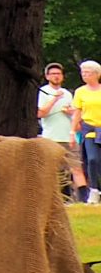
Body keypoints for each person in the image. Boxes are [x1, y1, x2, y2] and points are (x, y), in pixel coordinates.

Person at [39, 63, 84, 200]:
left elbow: (76, 114)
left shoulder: (68, 94)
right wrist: (54, 99)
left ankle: (84, 198)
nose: (56, 76)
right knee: (53, 169)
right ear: (47, 76)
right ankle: (54, 198)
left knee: (76, 167)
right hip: (51, 137)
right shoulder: (43, 91)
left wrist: (71, 112)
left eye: (58, 74)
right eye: (53, 74)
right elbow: (41, 113)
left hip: (69, 137)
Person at [76, 62, 101, 204]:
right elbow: (77, 112)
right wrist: (72, 131)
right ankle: (94, 189)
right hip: (89, 130)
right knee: (92, 160)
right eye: (82, 72)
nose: (84, 75)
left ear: (96, 74)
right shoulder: (80, 92)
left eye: (87, 72)